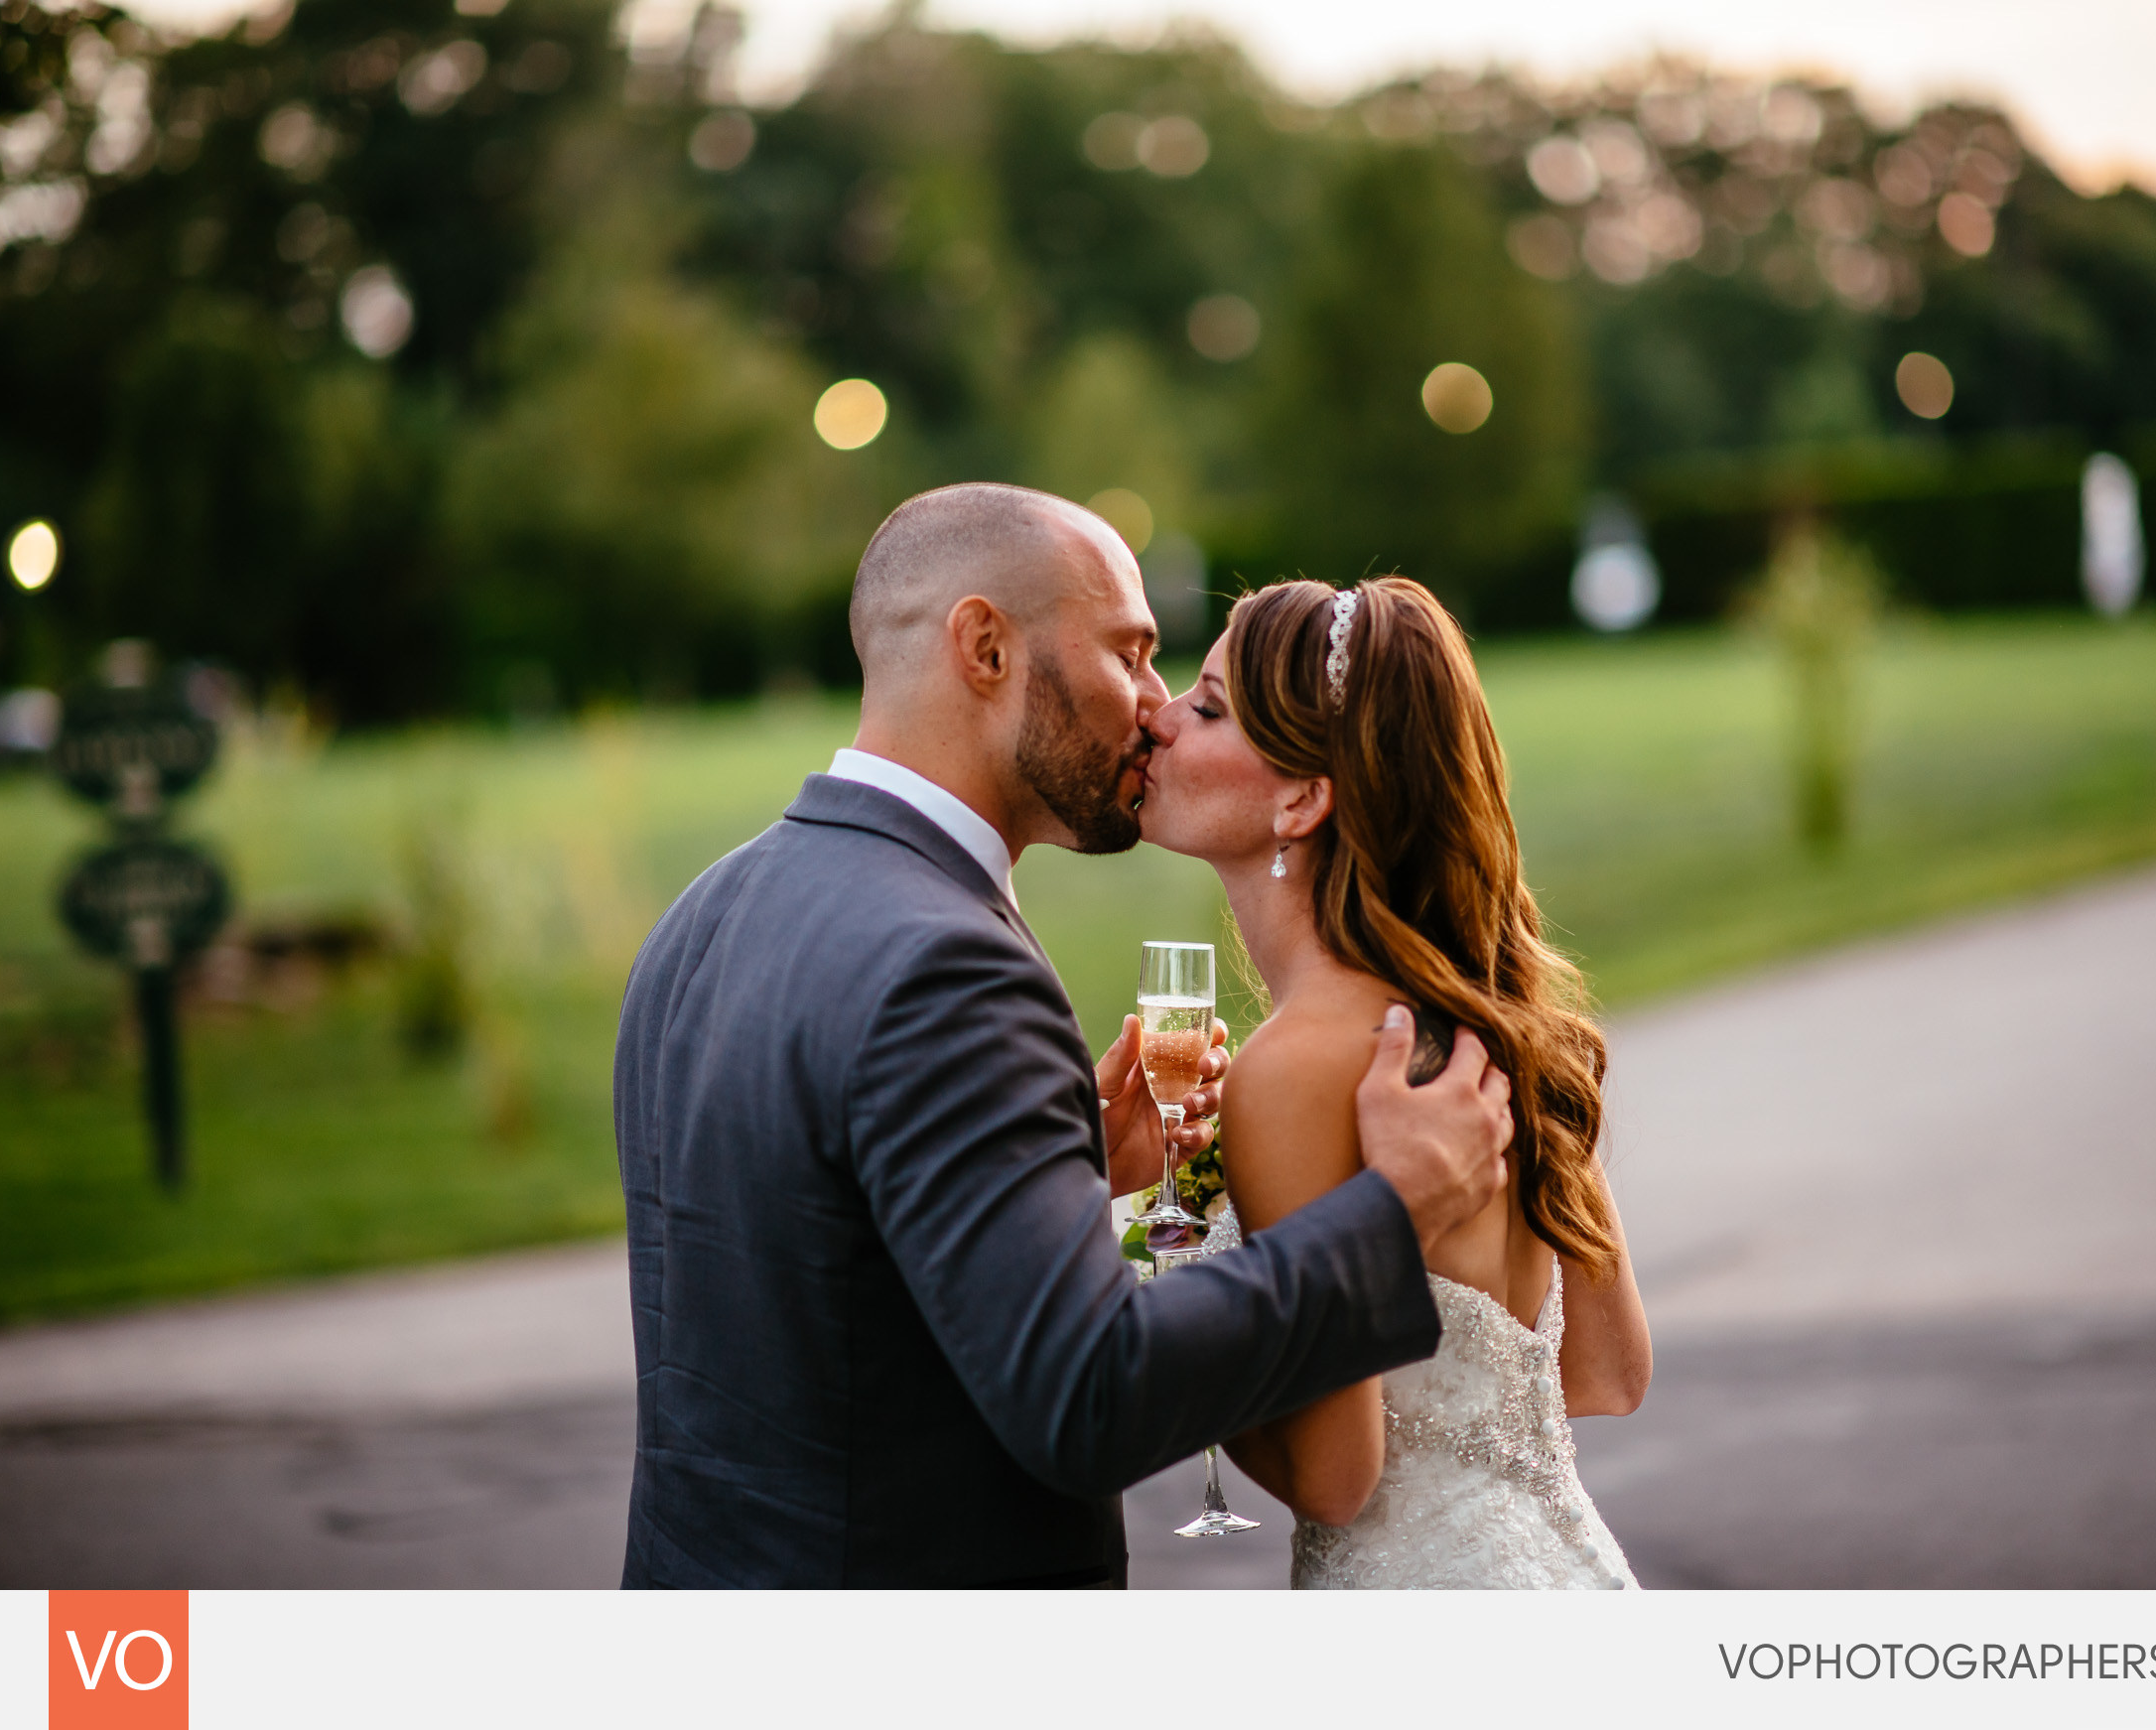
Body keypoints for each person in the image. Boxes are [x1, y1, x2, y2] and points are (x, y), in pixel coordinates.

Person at [612, 484, 1516, 1587]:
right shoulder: (945, 966)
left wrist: (1087, 1189)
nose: (1151, 706)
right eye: (1130, 655)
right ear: (984, 647)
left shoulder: (704, 915)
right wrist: (1394, 1211)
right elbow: (1089, 1399)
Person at [1139, 576, 1653, 1589]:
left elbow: (1335, 1481)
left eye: (1204, 708)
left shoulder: (1296, 1068)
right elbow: (1606, 1374)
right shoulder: (1492, 1021)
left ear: (1301, 796)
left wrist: (1178, 1274)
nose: (1155, 719)